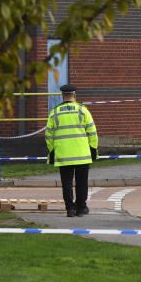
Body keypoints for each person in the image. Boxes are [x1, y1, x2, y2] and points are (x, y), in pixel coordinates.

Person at [45, 83, 98, 217]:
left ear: (62, 96)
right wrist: (93, 148)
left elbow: (48, 135)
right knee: (82, 182)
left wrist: (52, 151)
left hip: (63, 155)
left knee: (67, 183)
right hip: (82, 154)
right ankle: (81, 207)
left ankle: (70, 209)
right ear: (74, 95)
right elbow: (92, 132)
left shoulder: (55, 112)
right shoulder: (83, 110)